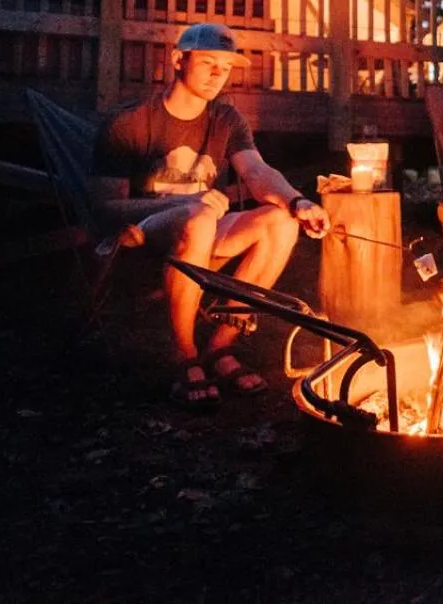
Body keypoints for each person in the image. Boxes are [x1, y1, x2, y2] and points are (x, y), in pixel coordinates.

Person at [90, 22, 330, 408]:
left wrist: (297, 202)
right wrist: (189, 206)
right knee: (200, 218)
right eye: (208, 62)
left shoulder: (226, 119)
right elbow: (105, 208)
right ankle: (183, 354)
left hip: (206, 236)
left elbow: (256, 172)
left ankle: (219, 347)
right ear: (179, 61)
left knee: (280, 221)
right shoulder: (132, 122)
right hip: (146, 237)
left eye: (226, 66)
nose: (218, 74)